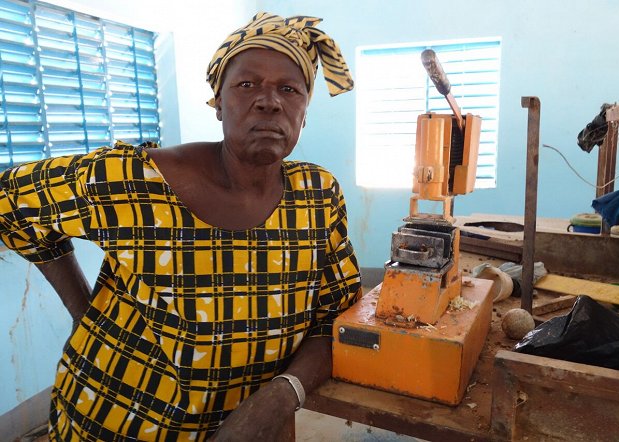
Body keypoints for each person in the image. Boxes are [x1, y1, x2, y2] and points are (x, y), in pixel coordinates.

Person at [0, 12, 361, 441]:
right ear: (218, 103)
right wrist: (84, 312)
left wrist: (282, 397)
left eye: (289, 88)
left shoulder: (317, 195)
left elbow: (336, 315)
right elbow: (8, 201)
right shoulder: (131, 181)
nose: (270, 101)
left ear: (304, 111)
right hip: (111, 421)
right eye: (247, 85)